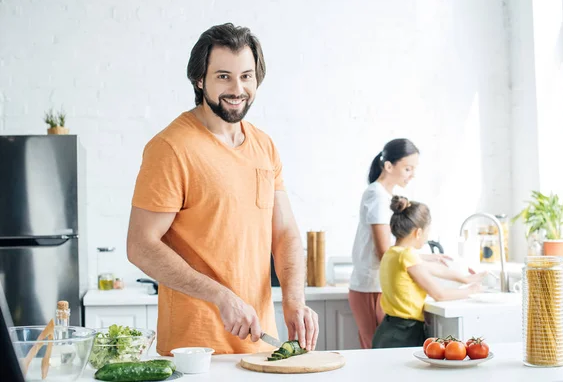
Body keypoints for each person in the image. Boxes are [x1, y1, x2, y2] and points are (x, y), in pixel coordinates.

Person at [126, 23, 318, 355]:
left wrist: (294, 300)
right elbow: (140, 246)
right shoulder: (171, 148)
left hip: (261, 346)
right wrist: (221, 296)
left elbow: (285, 231)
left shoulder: (264, 146)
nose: (237, 88)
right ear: (199, 80)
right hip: (196, 352)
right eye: (223, 76)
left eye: (246, 76)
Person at [348, 139, 449, 349]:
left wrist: (430, 257)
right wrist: (422, 263)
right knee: (374, 355)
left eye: (414, 169)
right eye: (407, 169)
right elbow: (385, 251)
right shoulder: (377, 195)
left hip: (376, 285)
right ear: (388, 166)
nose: (412, 175)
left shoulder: (386, 196)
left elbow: (396, 251)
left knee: (378, 354)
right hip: (370, 287)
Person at [372, 196, 485, 348]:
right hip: (403, 334)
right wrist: (472, 290)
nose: (426, 238)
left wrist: (465, 279)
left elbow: (433, 268)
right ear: (418, 232)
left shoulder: (392, 253)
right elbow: (440, 294)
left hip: (389, 330)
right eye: (427, 232)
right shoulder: (406, 256)